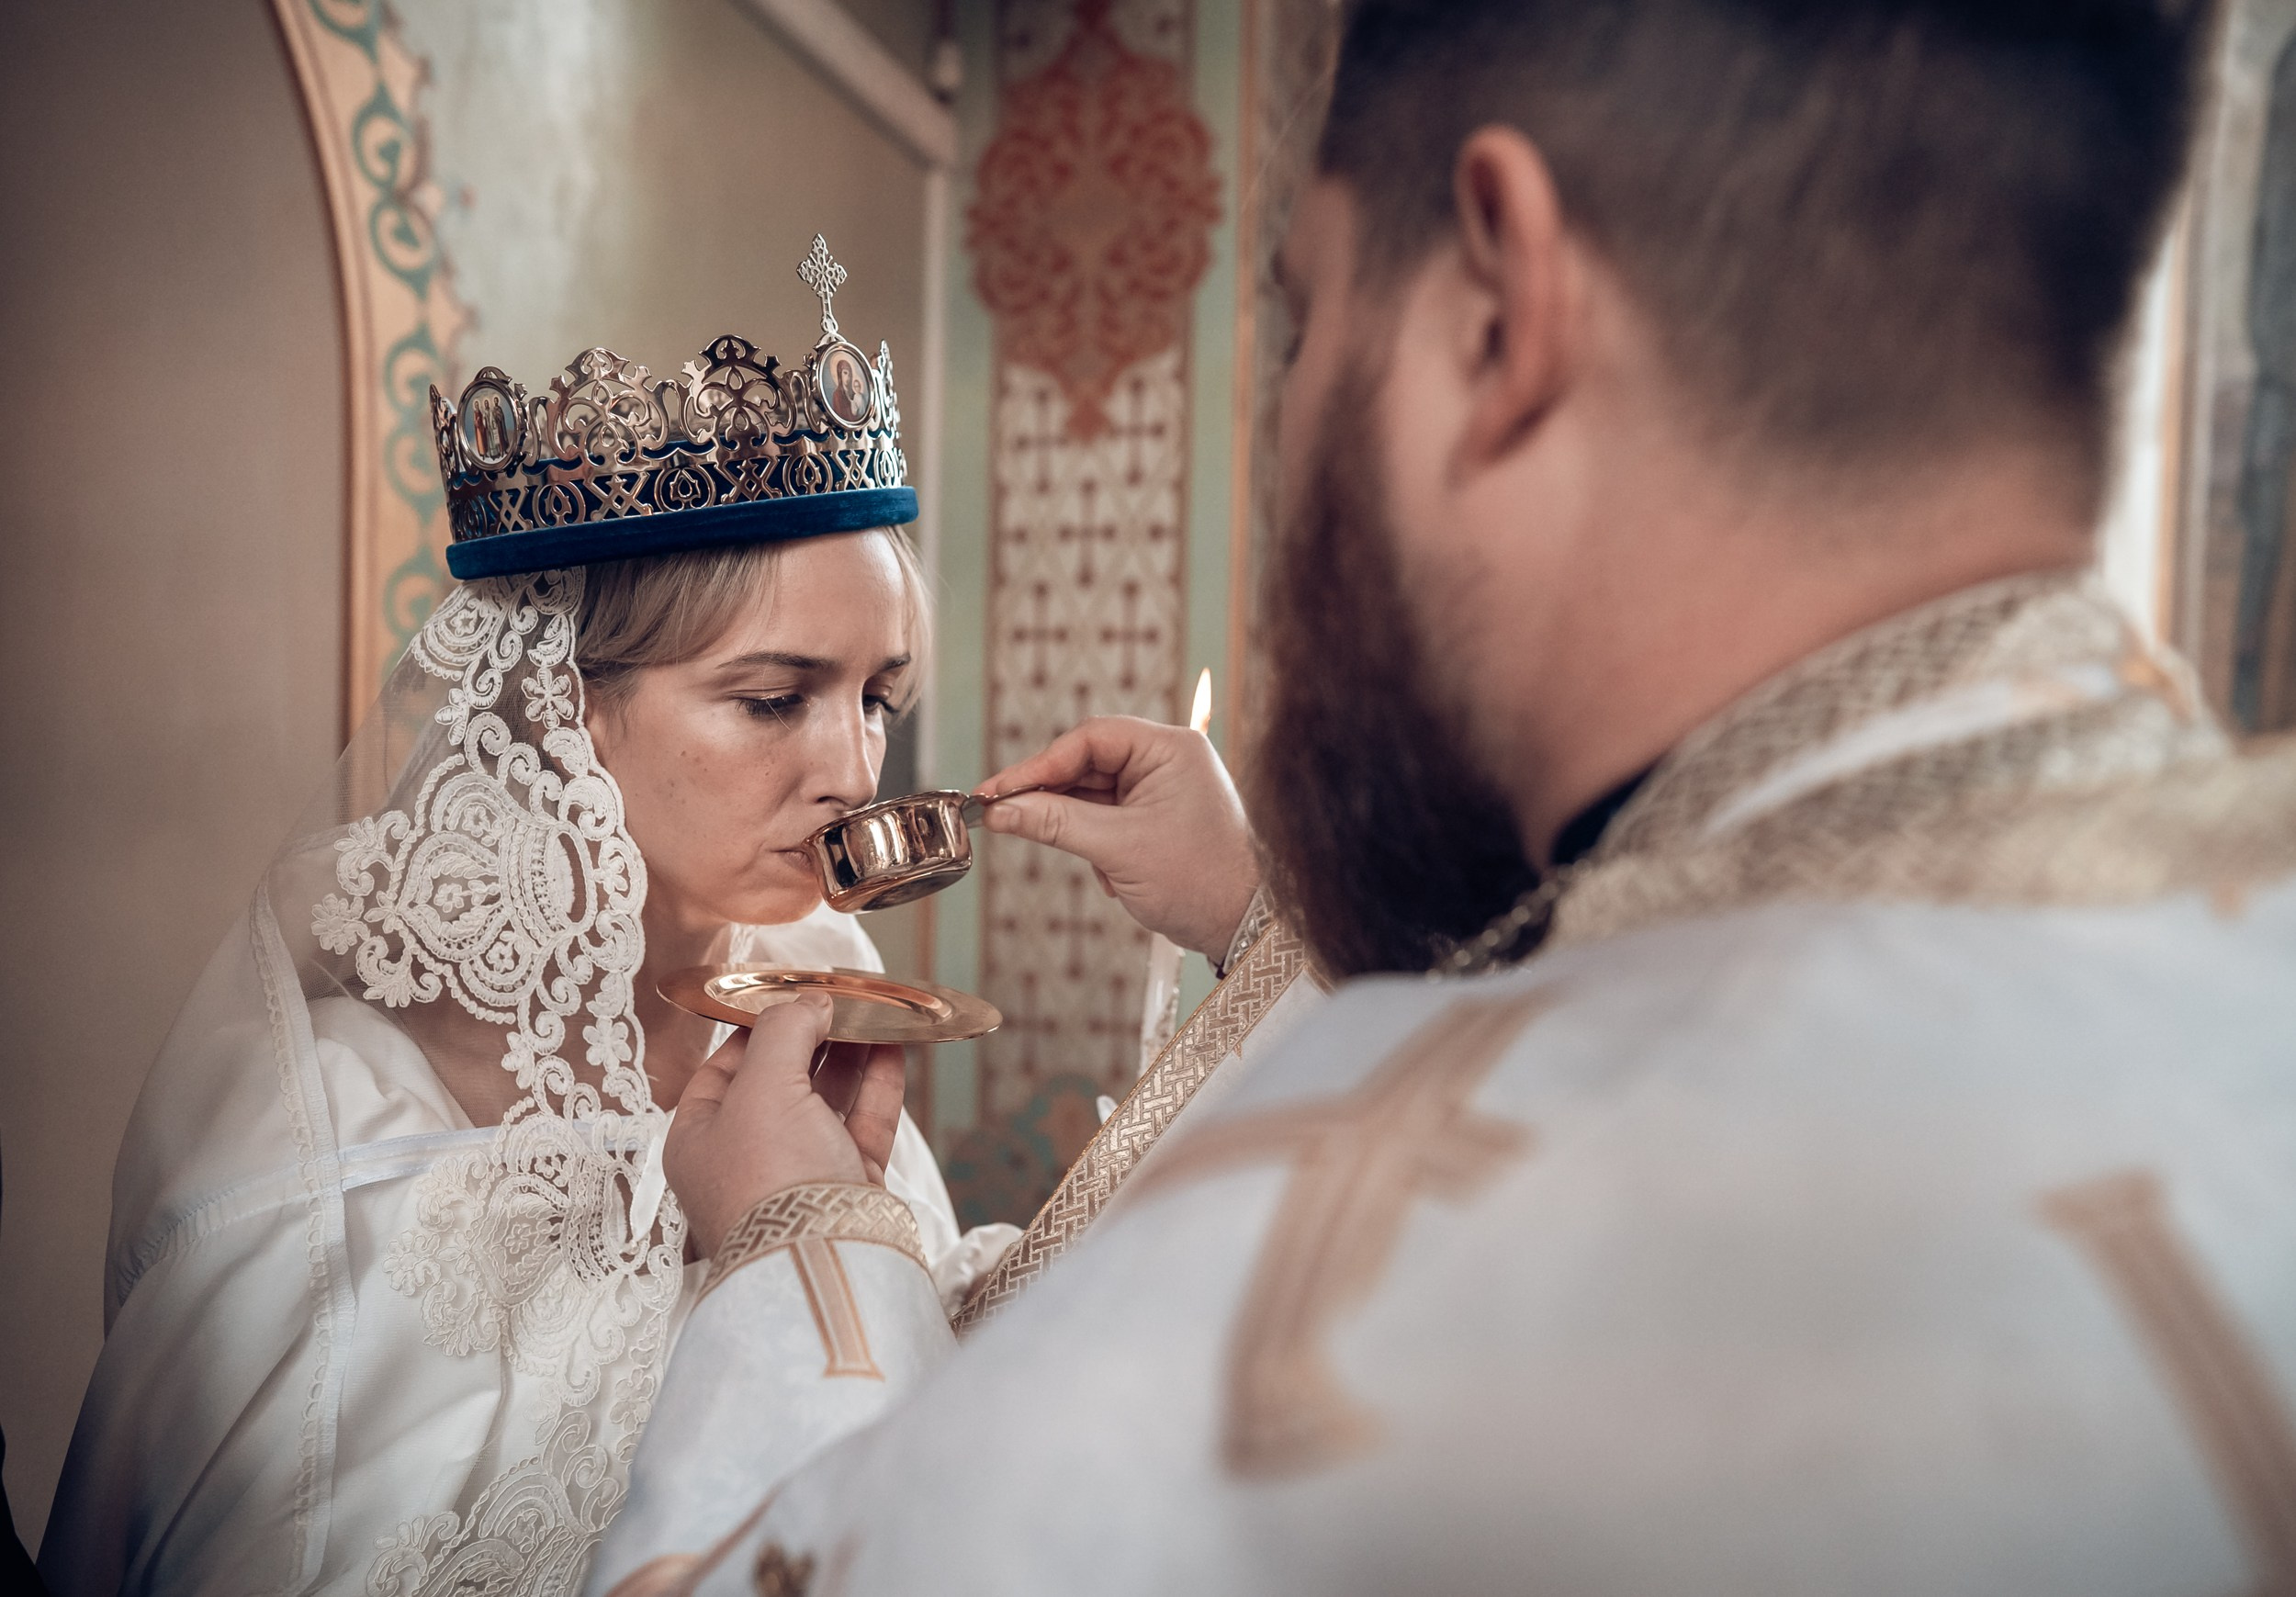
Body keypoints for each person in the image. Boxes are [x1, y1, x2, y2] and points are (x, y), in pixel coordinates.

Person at [587, 2, 2296, 1592]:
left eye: (1310, 318)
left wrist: (804, 1246)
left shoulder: (1326, 1300)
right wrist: (1262, 928)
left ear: (1502, 307)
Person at [39, 271, 1016, 1596]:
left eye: (879, 699)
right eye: (777, 698)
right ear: (568, 711)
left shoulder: (830, 990)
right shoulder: (335, 1133)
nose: (856, 769)